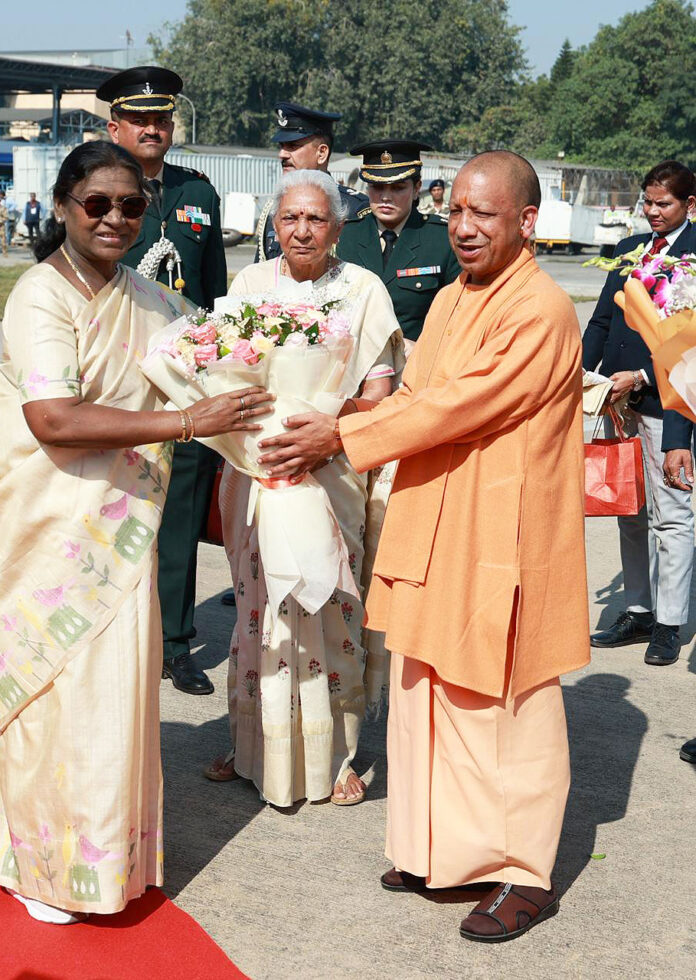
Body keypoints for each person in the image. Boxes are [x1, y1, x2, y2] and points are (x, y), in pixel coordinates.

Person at [256, 151, 590, 941]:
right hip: (433, 523)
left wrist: (343, 434)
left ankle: (522, 871)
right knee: (423, 699)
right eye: (458, 214)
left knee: (504, 707)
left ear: (527, 222)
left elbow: (462, 406)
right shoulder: (445, 301)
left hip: (500, 533)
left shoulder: (540, 309)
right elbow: (415, 396)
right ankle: (439, 852)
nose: (466, 229)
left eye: (486, 215)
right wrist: (331, 413)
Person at [0, 141, 273, 926]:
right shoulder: (41, 294)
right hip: (42, 526)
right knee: (51, 696)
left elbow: (214, 361)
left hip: (121, 529)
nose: (114, 218)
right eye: (97, 203)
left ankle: (108, 861)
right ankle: (40, 867)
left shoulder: (149, 298)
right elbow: (54, 419)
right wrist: (183, 421)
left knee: (111, 701)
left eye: (130, 205)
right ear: (65, 205)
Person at [205, 168, 404, 807]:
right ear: (273, 224)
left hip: (333, 470)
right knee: (259, 612)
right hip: (258, 467)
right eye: (290, 218)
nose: (302, 230)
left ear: (339, 228)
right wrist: (262, 438)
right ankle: (249, 744)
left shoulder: (363, 289)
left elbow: (379, 390)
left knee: (329, 606)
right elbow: (223, 376)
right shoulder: (249, 284)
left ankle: (335, 754)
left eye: (316, 219)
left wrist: (328, 432)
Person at [99, 65, 228, 696]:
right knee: (111, 510)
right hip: (117, 380)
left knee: (179, 514)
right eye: (139, 118)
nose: (153, 129)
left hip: (184, 381)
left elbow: (215, 292)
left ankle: (175, 643)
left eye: (162, 118)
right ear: (113, 124)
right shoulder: (93, 187)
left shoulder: (198, 191)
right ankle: (109, 633)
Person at [583, 160, 696, 667]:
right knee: (627, 510)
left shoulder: (693, 260)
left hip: (668, 406)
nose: (651, 212)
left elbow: (688, 347)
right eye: (646, 202)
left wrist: (644, 379)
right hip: (618, 401)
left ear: (689, 206)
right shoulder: (629, 252)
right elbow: (602, 322)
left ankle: (670, 623)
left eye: (663, 204)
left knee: (671, 516)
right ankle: (639, 608)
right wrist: (580, 376)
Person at [336, 140, 460, 342]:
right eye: (377, 187)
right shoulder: (344, 236)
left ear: (417, 188)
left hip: (416, 364)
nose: (386, 197)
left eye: (398, 188)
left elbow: (458, 315)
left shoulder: (441, 240)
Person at [254, 102, 369, 262]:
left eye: (293, 146)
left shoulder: (354, 209)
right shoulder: (276, 207)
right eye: (281, 146)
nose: (282, 154)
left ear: (321, 153)